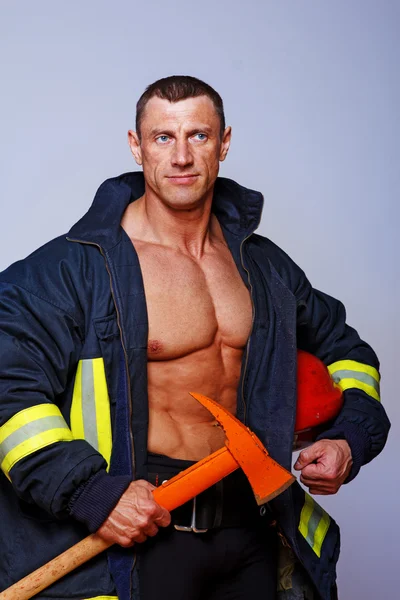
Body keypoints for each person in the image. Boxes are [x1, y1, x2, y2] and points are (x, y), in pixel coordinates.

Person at [0, 76, 390, 600]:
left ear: (224, 143)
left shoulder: (263, 268)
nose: (181, 156)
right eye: (163, 137)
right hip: (142, 534)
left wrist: (349, 439)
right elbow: (8, 392)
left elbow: (348, 354)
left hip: (250, 530)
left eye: (198, 137)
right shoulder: (70, 271)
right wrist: (91, 493)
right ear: (136, 146)